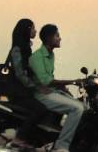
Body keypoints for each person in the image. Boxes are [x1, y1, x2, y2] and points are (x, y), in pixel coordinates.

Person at [29, 24, 85, 152]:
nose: (60, 38)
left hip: (51, 92)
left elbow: (51, 77)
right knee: (77, 108)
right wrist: (72, 82)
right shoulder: (37, 57)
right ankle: (62, 146)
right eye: (57, 35)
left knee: (83, 106)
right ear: (49, 38)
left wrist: (64, 89)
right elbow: (45, 81)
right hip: (42, 94)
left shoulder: (50, 55)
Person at [5, 19, 48, 149]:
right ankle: (19, 138)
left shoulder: (25, 46)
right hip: (18, 92)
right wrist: (35, 86)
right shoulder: (18, 48)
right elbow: (20, 73)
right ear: (26, 29)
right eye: (33, 28)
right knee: (40, 109)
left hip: (23, 91)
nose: (35, 31)